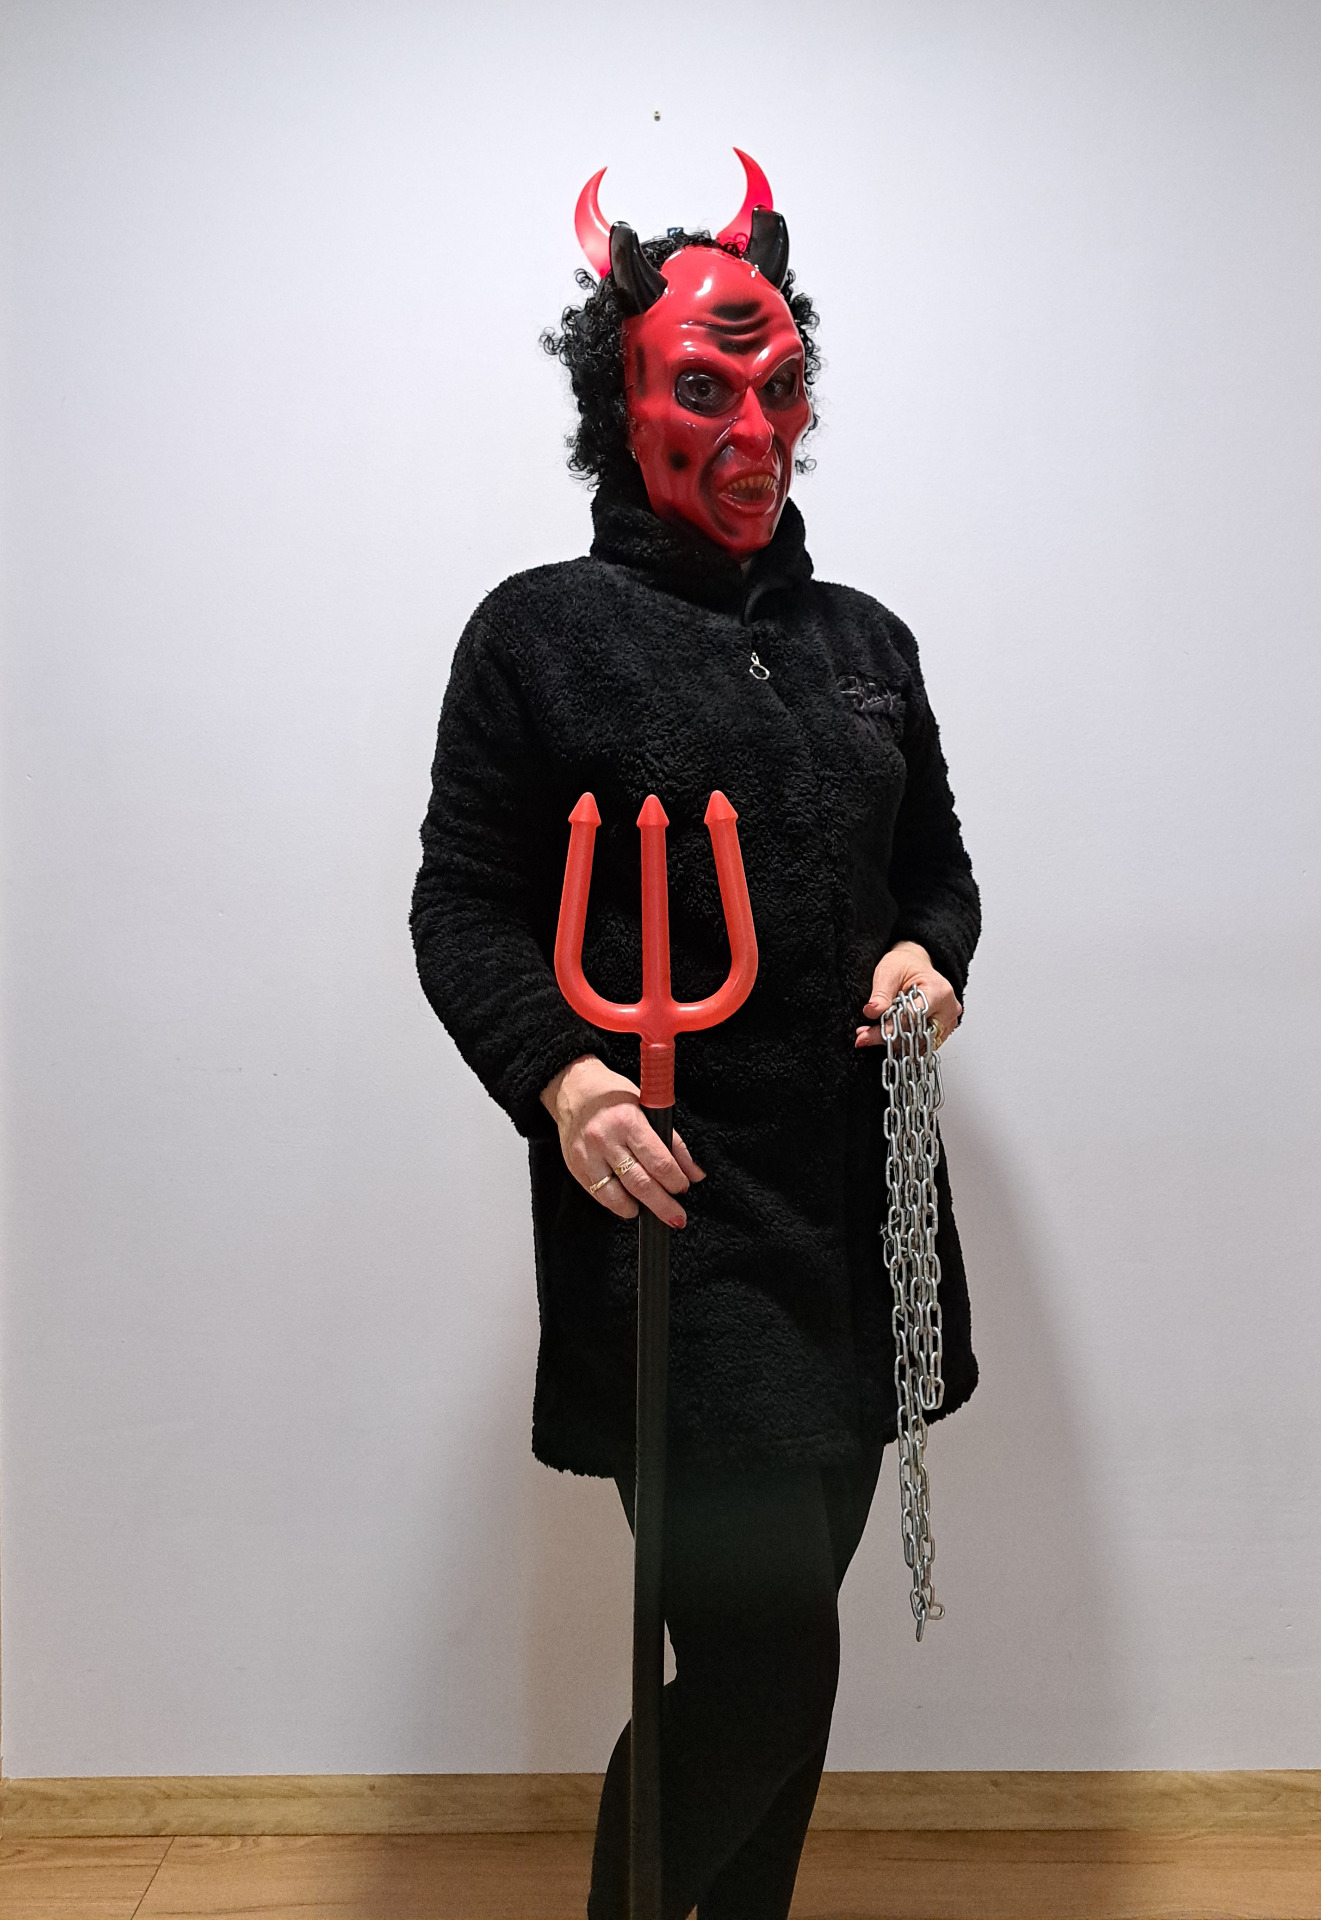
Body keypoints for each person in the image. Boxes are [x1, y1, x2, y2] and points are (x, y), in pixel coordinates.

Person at [411, 157, 981, 1920]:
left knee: (783, 1673)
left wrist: (928, 955)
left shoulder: (863, 642)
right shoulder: (541, 634)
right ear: (623, 402)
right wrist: (564, 1075)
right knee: (760, 1669)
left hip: (856, 1222)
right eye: (706, 387)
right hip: (675, 1226)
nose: (754, 429)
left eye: (780, 386)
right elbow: (462, 904)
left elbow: (935, 872)